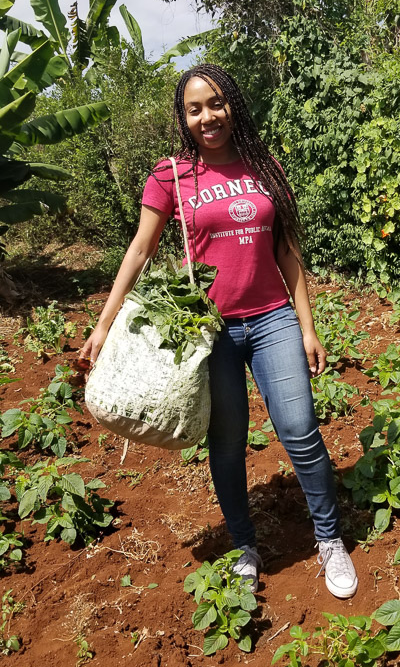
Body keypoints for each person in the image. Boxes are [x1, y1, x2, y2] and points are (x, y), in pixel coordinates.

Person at [81, 63, 358, 599]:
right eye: (194, 109)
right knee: (228, 442)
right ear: (183, 118)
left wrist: (309, 326)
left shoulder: (265, 168)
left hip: (274, 317)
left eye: (216, 104)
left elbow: (287, 252)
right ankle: (244, 545)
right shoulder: (172, 176)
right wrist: (103, 324)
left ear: (232, 105)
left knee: (300, 432)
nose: (207, 116)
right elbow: (140, 250)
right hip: (212, 333)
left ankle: (328, 540)